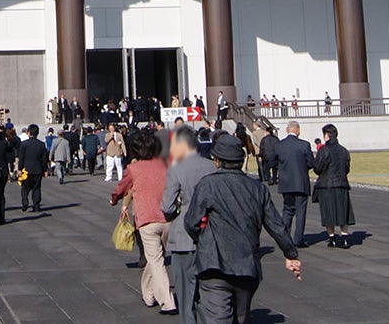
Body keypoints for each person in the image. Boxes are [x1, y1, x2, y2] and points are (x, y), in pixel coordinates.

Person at [183, 133, 302, 323]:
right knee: (241, 316)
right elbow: (276, 225)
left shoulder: (209, 184)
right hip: (246, 265)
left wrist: (202, 238)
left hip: (214, 264)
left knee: (217, 316)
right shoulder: (257, 188)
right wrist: (290, 253)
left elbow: (191, 222)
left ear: (217, 161)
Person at [111, 128, 176, 314]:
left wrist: (114, 199)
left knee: (156, 261)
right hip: (166, 218)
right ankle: (148, 295)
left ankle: (167, 302)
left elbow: (121, 188)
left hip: (147, 219)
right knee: (156, 258)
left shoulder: (133, 168)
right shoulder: (164, 165)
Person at [161, 123, 217, 318]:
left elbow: (166, 206)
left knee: (185, 295)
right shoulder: (211, 166)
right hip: (210, 233)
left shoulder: (176, 169)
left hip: (184, 235)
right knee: (210, 294)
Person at [311, 123, 354, 248]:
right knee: (343, 211)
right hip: (341, 183)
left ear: (326, 135)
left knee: (328, 212)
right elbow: (346, 169)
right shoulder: (344, 150)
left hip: (326, 184)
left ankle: (332, 238)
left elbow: (317, 168)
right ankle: (345, 237)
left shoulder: (323, 150)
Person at [273, 120, 314, 248]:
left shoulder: (279, 145)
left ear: (287, 130)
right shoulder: (304, 145)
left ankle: (285, 238)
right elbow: (311, 163)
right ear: (298, 130)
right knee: (300, 212)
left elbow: (272, 161)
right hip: (300, 182)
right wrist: (302, 168)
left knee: (287, 210)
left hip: (286, 182)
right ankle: (298, 239)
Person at [16, 124, 50, 213]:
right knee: (36, 188)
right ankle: (36, 205)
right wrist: (45, 170)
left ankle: (25, 201)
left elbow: (21, 158)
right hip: (37, 170)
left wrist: (19, 169)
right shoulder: (41, 144)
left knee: (25, 188)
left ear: (29, 132)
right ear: (37, 133)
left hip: (26, 170)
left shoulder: (24, 144)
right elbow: (44, 159)